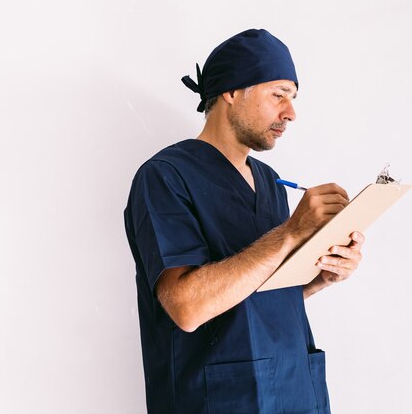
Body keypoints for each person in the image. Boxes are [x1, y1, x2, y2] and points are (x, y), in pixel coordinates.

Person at [124, 29, 365, 414]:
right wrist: (290, 234)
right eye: (278, 94)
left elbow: (250, 297)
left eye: (293, 98)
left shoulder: (269, 182)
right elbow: (186, 307)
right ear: (231, 91)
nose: (290, 113)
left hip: (294, 388)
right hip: (218, 399)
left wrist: (319, 279)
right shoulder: (165, 177)